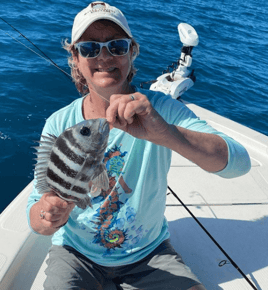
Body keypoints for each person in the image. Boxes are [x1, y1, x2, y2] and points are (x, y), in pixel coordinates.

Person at [27, 2, 251, 289]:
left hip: (149, 254)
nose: (104, 56)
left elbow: (239, 165)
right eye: (90, 48)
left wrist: (165, 132)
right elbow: (36, 210)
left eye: (117, 46)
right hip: (75, 253)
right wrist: (47, 215)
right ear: (75, 58)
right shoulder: (59, 124)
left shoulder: (161, 111)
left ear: (132, 51)